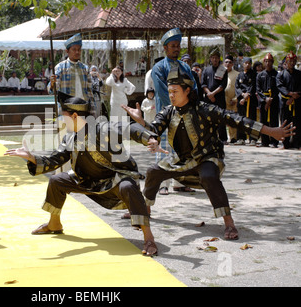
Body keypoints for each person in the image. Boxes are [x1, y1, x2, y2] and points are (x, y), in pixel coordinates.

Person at [122, 66, 295, 240]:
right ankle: (145, 210)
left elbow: (236, 120)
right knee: (154, 171)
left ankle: (228, 222)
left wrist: (271, 131)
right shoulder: (169, 111)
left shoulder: (204, 109)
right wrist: (142, 122)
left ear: (187, 90)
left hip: (207, 156)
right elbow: (154, 129)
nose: (171, 95)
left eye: (175, 91)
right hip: (181, 160)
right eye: (170, 91)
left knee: (209, 176)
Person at [4, 93, 158, 256]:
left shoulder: (102, 128)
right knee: (57, 180)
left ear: (75, 116)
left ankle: (149, 238)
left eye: (64, 117)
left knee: (128, 186)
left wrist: (149, 138)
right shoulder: (69, 138)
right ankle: (54, 224)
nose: (62, 121)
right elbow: (55, 159)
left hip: (114, 179)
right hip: (86, 180)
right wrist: (32, 157)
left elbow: (129, 128)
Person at [151, 28, 197, 194]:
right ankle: (163, 184)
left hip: (185, 114)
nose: (176, 48)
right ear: (165, 48)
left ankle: (180, 181)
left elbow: (194, 87)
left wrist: (190, 107)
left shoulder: (185, 66)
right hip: (166, 114)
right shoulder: (158, 67)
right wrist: (177, 108)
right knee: (164, 147)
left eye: (178, 45)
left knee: (183, 147)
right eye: (173, 46)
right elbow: (163, 92)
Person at [48, 33, 96, 116]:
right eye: (74, 49)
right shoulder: (60, 67)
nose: (77, 52)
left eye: (79, 49)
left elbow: (89, 91)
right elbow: (52, 91)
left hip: (83, 109)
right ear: (67, 51)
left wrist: (93, 111)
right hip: (67, 110)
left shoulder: (85, 68)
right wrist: (52, 84)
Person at [201, 48, 228, 143]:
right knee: (208, 119)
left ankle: (223, 138)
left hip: (219, 98)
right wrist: (209, 93)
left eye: (216, 58)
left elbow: (223, 85)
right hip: (208, 99)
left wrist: (213, 94)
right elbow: (203, 84)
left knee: (221, 118)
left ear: (219, 58)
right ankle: (209, 137)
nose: (215, 60)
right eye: (213, 58)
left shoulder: (223, 69)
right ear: (210, 59)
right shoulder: (206, 70)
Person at [276, 51, 301, 149]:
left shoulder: (299, 74)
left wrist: (294, 96)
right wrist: (289, 94)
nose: (292, 62)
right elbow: (280, 86)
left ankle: (297, 144)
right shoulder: (281, 74)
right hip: (285, 102)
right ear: (286, 62)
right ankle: (285, 144)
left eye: (294, 61)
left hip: (297, 101)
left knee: (298, 123)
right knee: (285, 122)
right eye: (290, 60)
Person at [256, 53, 280, 148]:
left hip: (273, 101)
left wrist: (271, 99)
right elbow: (258, 89)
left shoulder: (276, 75)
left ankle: (274, 141)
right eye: (266, 61)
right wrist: (265, 99)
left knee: (274, 121)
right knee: (263, 121)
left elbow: (278, 88)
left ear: (272, 62)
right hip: (263, 101)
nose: (268, 63)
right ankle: (264, 141)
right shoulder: (260, 75)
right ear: (264, 62)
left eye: (270, 61)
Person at [235, 57, 258, 145]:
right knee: (240, 119)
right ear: (243, 63)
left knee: (252, 119)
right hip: (241, 100)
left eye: (249, 63)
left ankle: (253, 139)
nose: (247, 65)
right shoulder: (239, 75)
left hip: (250, 100)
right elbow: (237, 87)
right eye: (246, 63)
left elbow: (253, 86)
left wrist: (247, 95)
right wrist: (242, 95)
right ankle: (241, 138)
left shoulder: (254, 74)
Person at [224, 55, 239, 143]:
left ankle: (233, 138)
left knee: (232, 119)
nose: (228, 64)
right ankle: (223, 138)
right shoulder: (220, 73)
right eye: (226, 62)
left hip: (233, 101)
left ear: (232, 64)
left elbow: (239, 88)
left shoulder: (237, 74)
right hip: (223, 101)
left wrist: (235, 99)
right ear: (223, 63)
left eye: (230, 62)